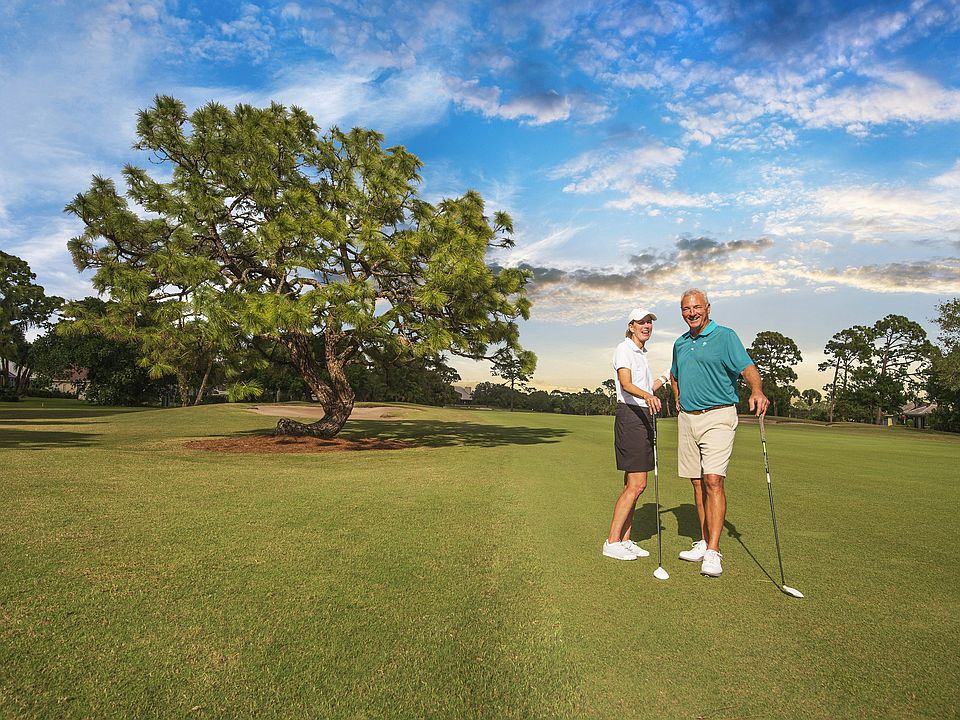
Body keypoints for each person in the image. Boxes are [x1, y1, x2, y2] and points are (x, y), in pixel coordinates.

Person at [669, 289, 769, 577]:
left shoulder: (725, 336)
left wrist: (757, 389)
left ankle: (713, 551)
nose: (692, 313)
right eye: (686, 309)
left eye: (696, 307)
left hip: (719, 416)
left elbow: (747, 367)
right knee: (698, 484)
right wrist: (677, 396)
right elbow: (675, 373)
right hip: (688, 419)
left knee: (713, 481)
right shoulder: (680, 343)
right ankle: (702, 541)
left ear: (708, 308)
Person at [603, 308, 669, 561]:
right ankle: (612, 541)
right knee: (638, 484)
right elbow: (627, 384)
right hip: (631, 416)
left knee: (633, 484)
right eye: (641, 322)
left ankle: (625, 539)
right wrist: (648, 396)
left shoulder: (642, 354)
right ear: (631, 326)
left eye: (649, 322)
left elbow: (645, 386)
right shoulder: (624, 349)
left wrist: (665, 376)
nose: (647, 326)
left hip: (643, 417)